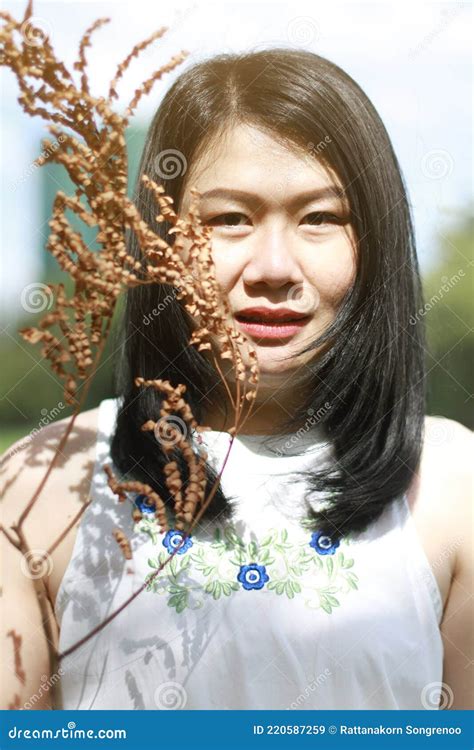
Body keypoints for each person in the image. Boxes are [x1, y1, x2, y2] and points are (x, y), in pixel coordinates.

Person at [1, 49, 472, 711]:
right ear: (160, 239)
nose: (274, 267)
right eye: (229, 220)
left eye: (320, 218)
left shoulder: (454, 486)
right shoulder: (44, 484)